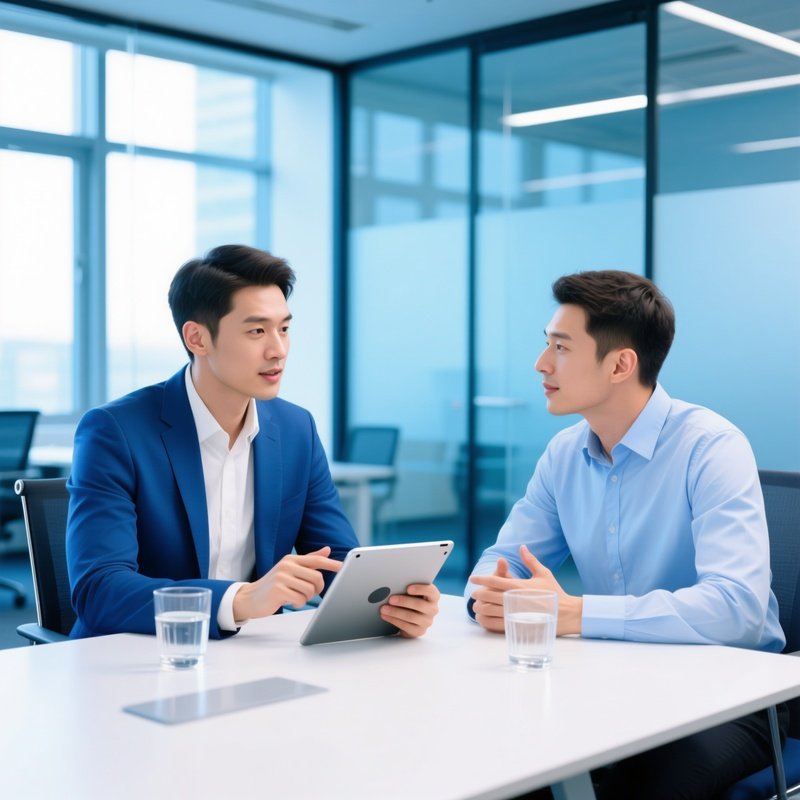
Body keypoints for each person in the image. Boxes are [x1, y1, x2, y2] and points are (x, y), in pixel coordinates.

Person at [466, 270, 785, 799]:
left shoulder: (712, 447)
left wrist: (572, 612)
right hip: (614, 678)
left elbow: (737, 609)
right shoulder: (565, 453)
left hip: (729, 694)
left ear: (620, 364)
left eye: (561, 348)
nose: (541, 364)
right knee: (498, 761)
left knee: (636, 786)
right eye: (546, 345)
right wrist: (492, 601)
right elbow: (503, 560)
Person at [67, 244, 440, 640]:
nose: (278, 350)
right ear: (197, 338)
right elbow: (99, 590)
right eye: (257, 330)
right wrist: (240, 600)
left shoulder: (296, 429)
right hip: (132, 658)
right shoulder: (116, 431)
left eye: (284, 328)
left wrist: (391, 604)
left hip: (251, 655)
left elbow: (338, 560)